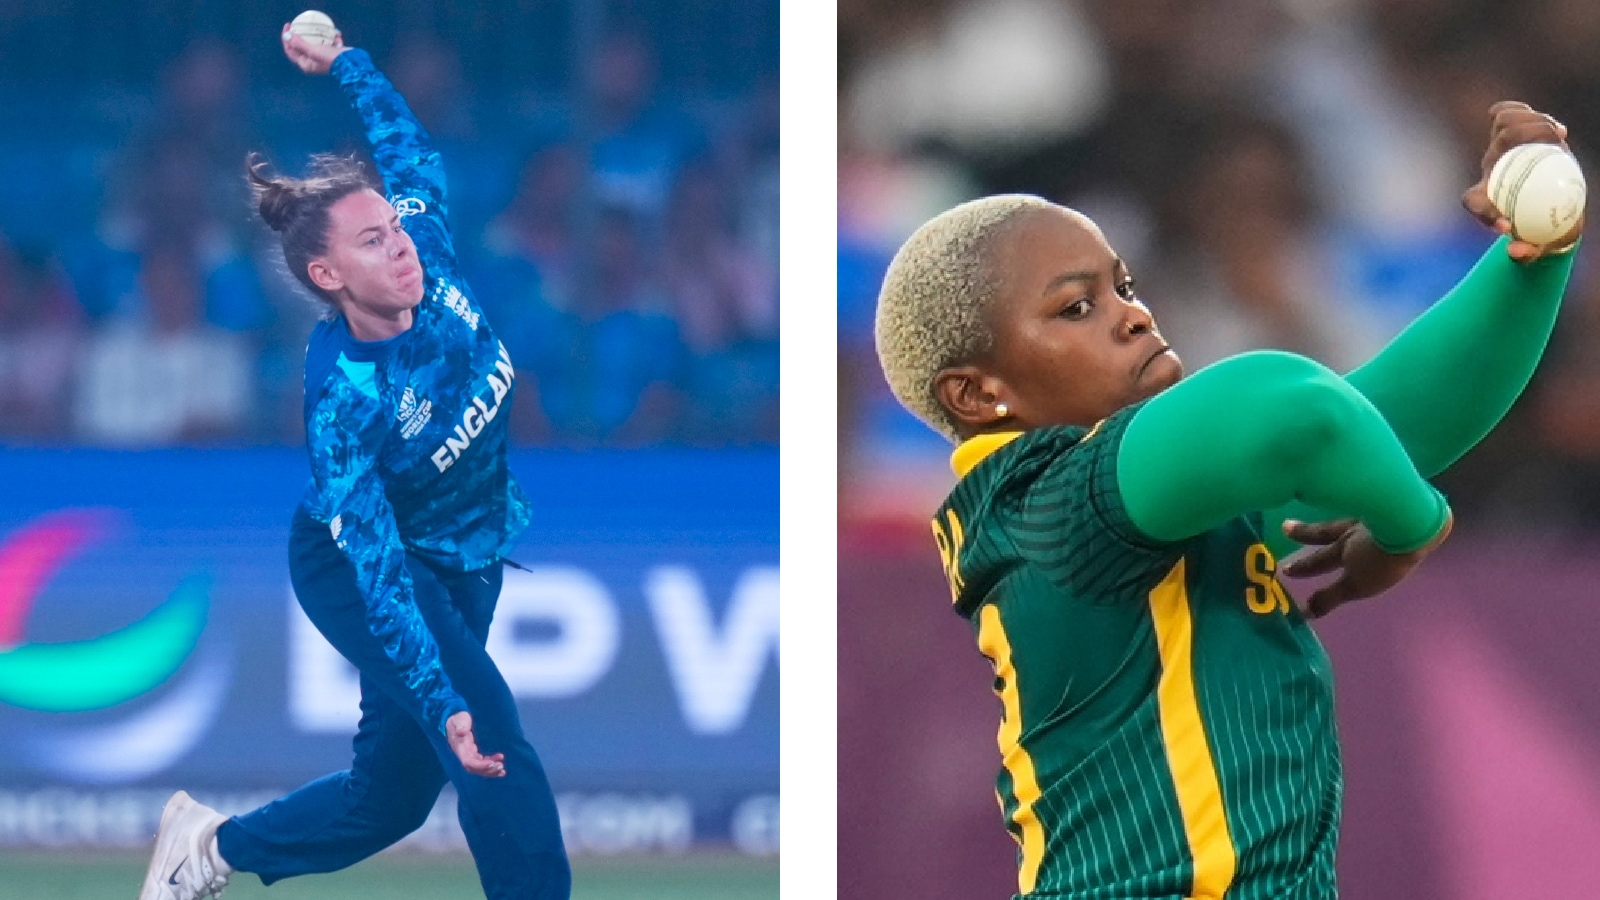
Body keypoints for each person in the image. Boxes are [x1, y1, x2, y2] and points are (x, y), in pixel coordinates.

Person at [872, 101, 1579, 898]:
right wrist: (1414, 522)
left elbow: (1391, 421)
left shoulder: (1153, 493)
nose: (1132, 316)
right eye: (1077, 308)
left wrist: (1538, 247)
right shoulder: (1050, 506)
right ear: (978, 393)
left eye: (1123, 287)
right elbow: (1291, 404)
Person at [139, 23, 570, 900]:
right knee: (488, 743)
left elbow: (406, 149)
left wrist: (344, 60)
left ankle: (208, 851)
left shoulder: (428, 253)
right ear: (328, 276)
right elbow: (376, 570)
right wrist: (444, 700)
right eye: (371, 241)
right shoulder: (345, 397)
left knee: (391, 800)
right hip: (361, 565)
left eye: (392, 226)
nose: (399, 242)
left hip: (466, 558)